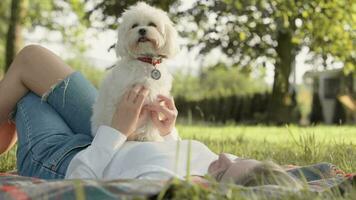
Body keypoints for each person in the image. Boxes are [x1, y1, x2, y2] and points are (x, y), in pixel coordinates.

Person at [0, 45, 302, 188]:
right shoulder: (221, 167)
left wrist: (117, 130)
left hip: (67, 159)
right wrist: (168, 132)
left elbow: (79, 185)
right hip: (115, 131)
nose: (223, 156)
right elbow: (169, 155)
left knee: (28, 89)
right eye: (236, 157)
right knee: (34, 61)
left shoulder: (162, 188)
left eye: (223, 171)